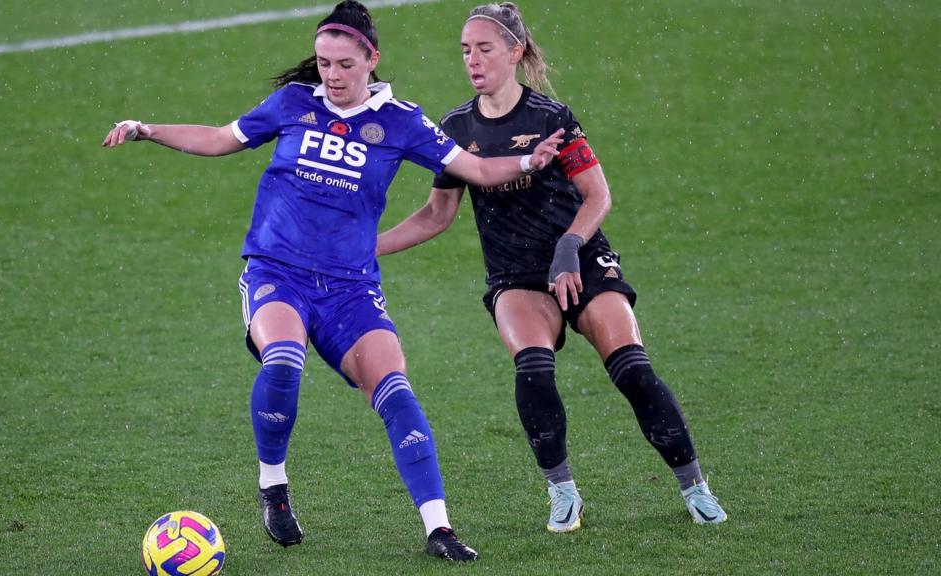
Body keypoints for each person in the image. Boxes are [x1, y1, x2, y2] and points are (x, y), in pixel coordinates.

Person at [102, 0, 565, 561]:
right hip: (278, 272)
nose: (332, 75)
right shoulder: (293, 104)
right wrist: (147, 129)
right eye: (323, 63)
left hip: (350, 287)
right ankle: (273, 487)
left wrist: (526, 163)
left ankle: (438, 528)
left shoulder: (403, 122)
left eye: (344, 64)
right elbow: (221, 138)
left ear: (372, 59)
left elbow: (480, 171)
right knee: (283, 360)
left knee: (395, 391)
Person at [377, 1, 727, 533]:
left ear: (515, 52)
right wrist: (365, 246)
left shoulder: (551, 118)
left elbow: (598, 195)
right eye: (466, 50)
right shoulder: (455, 127)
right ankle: (563, 493)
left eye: (485, 49)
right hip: (516, 274)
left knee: (632, 369)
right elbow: (436, 214)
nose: (473, 60)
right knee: (534, 372)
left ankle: (694, 485)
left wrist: (568, 249)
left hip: (580, 256)